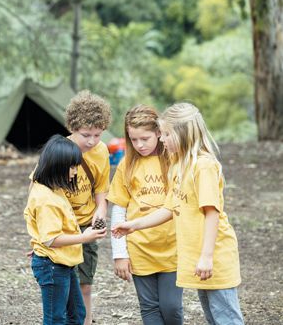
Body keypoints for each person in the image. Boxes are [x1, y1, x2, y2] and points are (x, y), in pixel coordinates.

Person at [112, 102, 244, 325]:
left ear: (182, 134)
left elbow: (211, 213)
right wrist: (135, 225)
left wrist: (206, 256)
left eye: (165, 134)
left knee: (226, 318)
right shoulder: (179, 165)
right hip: (197, 256)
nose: (161, 139)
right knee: (214, 317)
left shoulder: (203, 167)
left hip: (215, 256)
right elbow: (170, 208)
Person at [107, 105, 183, 324]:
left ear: (159, 132)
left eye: (145, 138)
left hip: (172, 249)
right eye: (133, 139)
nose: (139, 145)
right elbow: (119, 210)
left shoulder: (175, 161)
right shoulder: (126, 165)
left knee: (171, 307)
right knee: (149, 308)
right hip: (140, 249)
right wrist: (119, 254)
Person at [25, 134, 107, 325]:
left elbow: (45, 234)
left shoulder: (55, 189)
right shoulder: (46, 199)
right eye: (72, 166)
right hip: (53, 266)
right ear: (57, 166)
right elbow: (51, 239)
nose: (75, 171)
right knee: (56, 318)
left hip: (62, 262)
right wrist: (84, 237)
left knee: (77, 313)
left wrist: (40, 244)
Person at [64, 90, 112, 325]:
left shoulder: (101, 151)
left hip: (87, 225)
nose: (92, 141)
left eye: (97, 134)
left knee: (85, 285)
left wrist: (100, 211)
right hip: (63, 226)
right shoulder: (59, 152)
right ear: (73, 128)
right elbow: (40, 193)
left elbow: (101, 190)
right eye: (85, 135)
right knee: (64, 285)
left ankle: (87, 321)